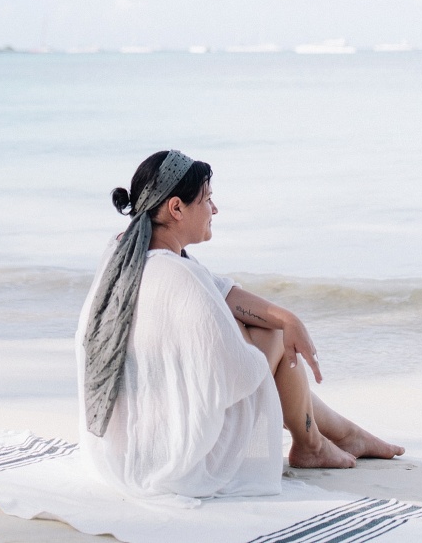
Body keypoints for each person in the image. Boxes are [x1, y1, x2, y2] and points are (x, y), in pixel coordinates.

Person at [76, 149, 403, 501]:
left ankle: (338, 435)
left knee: (270, 328)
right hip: (179, 457)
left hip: (126, 447)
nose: (214, 210)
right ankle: (313, 443)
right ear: (176, 208)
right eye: (208, 199)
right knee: (272, 338)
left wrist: (289, 317)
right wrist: (273, 337)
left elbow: (221, 292)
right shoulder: (177, 276)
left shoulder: (126, 252)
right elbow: (236, 377)